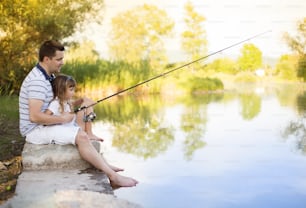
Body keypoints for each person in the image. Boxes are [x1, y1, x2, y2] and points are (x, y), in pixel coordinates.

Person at [19, 40, 138, 187]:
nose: (62, 62)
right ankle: (113, 177)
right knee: (81, 135)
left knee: (82, 111)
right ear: (46, 59)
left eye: (62, 58)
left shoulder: (48, 76)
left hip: (45, 123)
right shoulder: (37, 81)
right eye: (59, 59)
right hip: (35, 130)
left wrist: (77, 103)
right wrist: (62, 119)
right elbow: (34, 117)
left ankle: (102, 162)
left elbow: (58, 102)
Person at [45, 74, 103, 142]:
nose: (73, 92)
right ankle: (89, 133)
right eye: (71, 90)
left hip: (74, 126)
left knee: (87, 103)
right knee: (87, 104)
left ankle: (89, 133)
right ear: (61, 91)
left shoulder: (66, 101)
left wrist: (82, 99)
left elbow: (74, 103)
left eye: (73, 89)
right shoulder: (55, 103)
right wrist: (61, 118)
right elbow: (45, 118)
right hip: (69, 129)